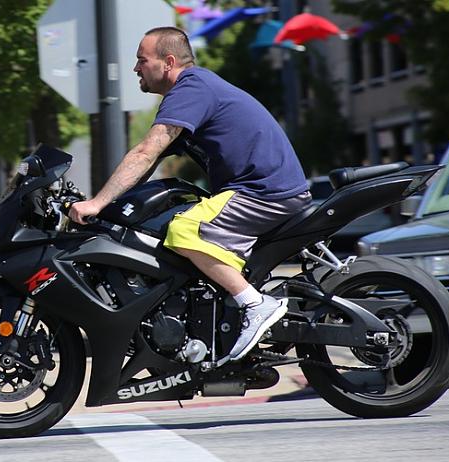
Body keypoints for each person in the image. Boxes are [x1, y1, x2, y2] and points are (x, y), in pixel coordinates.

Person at [70, 27, 311, 362]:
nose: (135, 68)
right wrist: (106, 206)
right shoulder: (195, 91)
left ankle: (254, 305)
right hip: (259, 191)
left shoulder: (191, 87)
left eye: (142, 60)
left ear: (168, 62)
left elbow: (145, 152)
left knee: (184, 230)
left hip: (263, 192)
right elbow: (148, 163)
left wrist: (96, 203)